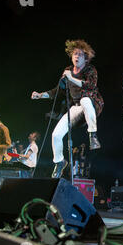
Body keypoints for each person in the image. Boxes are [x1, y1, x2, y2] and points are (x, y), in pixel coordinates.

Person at [31, 39, 104, 178]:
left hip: (92, 105)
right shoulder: (68, 71)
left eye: (80, 55)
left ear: (85, 58)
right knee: (56, 135)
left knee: (85, 100)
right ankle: (59, 162)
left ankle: (93, 135)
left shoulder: (90, 70)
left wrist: (71, 77)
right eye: (75, 54)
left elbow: (90, 86)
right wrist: (40, 95)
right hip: (76, 108)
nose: (77, 57)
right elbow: (57, 91)